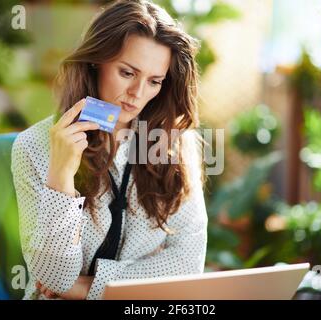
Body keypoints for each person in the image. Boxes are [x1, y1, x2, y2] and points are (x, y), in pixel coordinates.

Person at [11, 0, 207, 300]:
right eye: (127, 73)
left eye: (154, 81)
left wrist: (86, 288)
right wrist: (62, 177)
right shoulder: (33, 146)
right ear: (96, 61)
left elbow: (188, 264)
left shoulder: (177, 144)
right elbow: (54, 277)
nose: (138, 94)